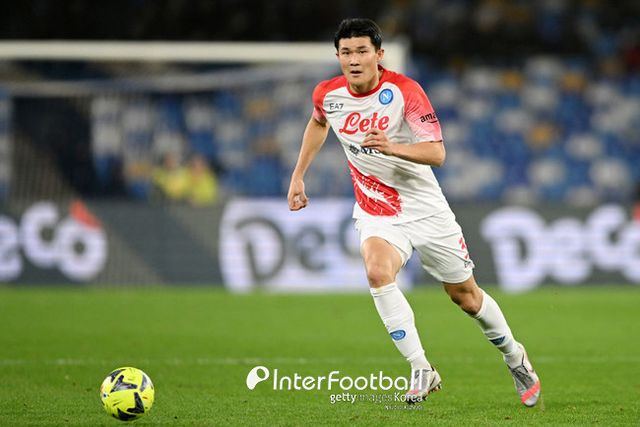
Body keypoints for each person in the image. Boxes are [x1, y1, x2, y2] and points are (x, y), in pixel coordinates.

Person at [287, 18, 540, 406]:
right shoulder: (327, 94)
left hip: (426, 210)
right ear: (337, 56)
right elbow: (318, 122)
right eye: (346, 52)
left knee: (466, 298)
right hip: (376, 210)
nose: (354, 60)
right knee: (377, 271)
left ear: (379, 54)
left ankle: (514, 356)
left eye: (362, 51)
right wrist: (298, 175)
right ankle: (421, 366)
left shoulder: (405, 91)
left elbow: (437, 153)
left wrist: (392, 147)